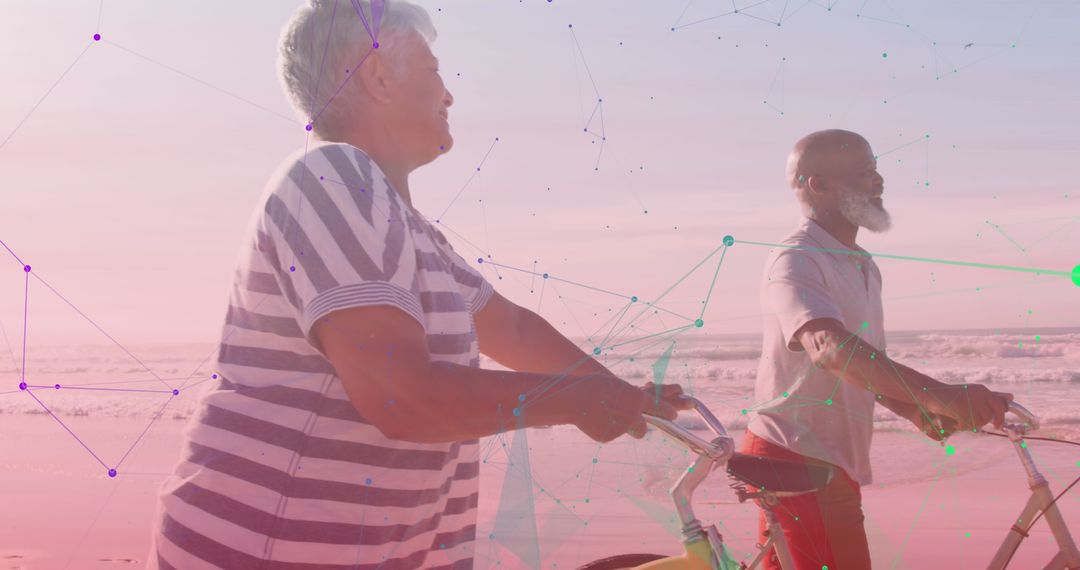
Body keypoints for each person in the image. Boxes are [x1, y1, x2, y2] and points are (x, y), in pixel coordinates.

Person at [147, 1, 691, 568]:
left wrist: (625, 398)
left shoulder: (413, 232)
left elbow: (509, 326)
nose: (448, 94)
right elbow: (400, 397)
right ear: (379, 75)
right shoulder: (330, 177)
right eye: (434, 71)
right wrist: (578, 399)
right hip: (266, 548)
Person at [741, 129, 1014, 570]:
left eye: (876, 169)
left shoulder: (863, 265)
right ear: (819, 185)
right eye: (865, 172)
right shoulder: (796, 259)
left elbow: (865, 365)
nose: (879, 181)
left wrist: (914, 409)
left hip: (832, 463)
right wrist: (939, 394)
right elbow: (828, 347)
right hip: (793, 458)